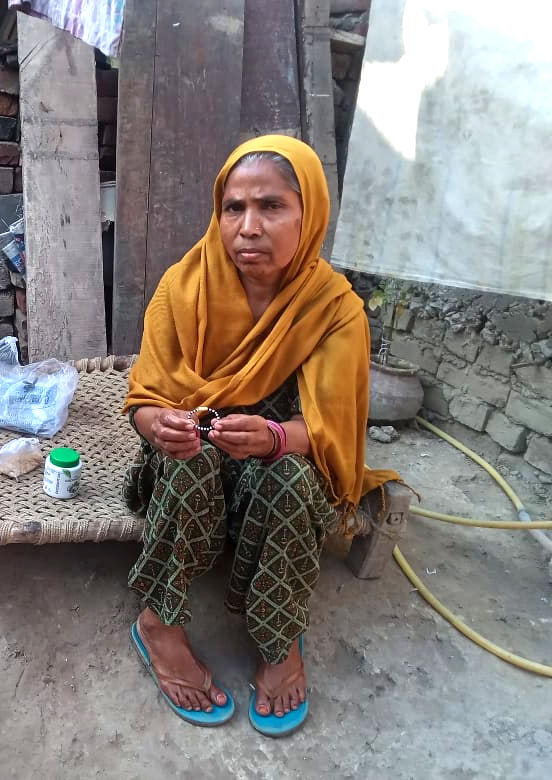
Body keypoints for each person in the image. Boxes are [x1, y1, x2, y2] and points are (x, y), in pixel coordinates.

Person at [123, 135, 399, 736]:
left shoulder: (334, 310)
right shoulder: (183, 286)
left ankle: (279, 636)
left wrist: (275, 437)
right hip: (184, 470)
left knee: (293, 478)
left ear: (309, 214)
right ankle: (158, 624)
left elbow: (332, 431)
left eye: (271, 206)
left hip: (275, 471)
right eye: (234, 208)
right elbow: (146, 398)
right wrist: (161, 426)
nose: (248, 227)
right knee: (190, 459)